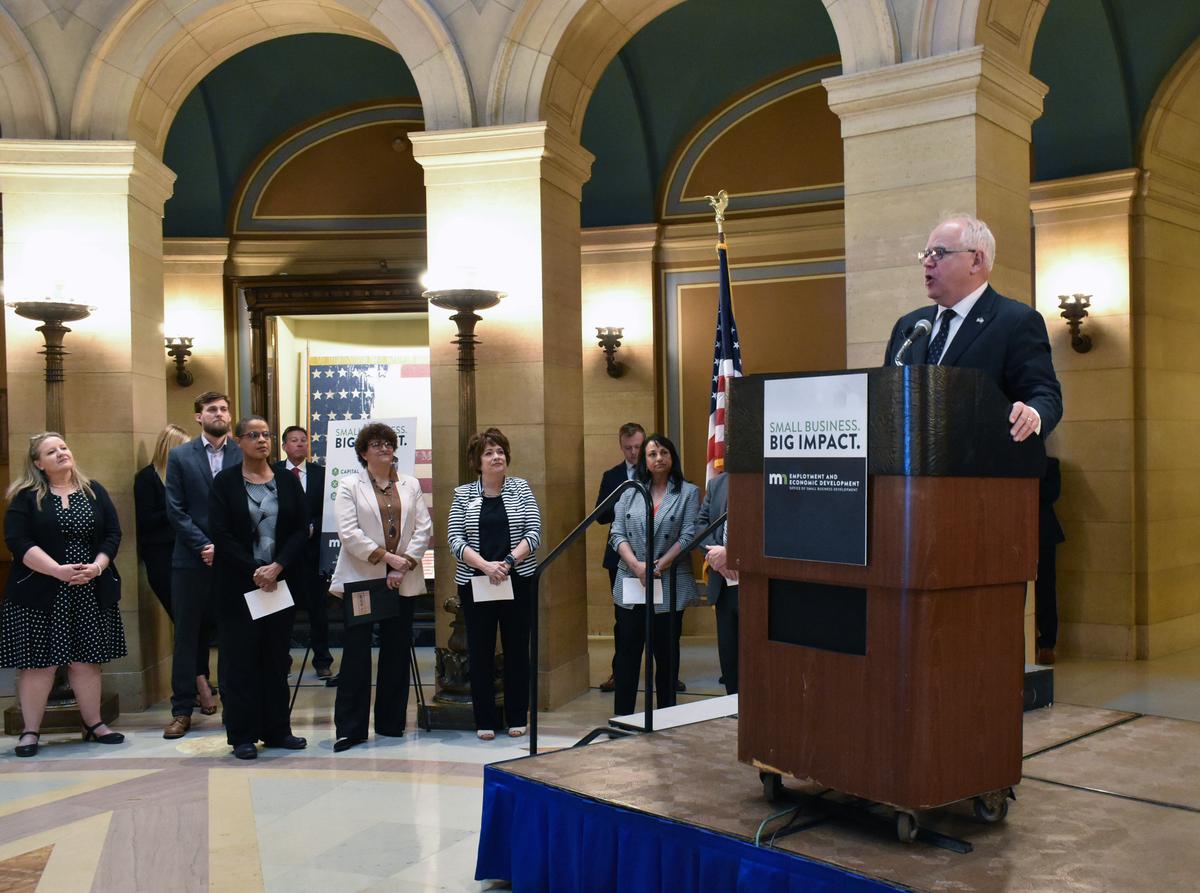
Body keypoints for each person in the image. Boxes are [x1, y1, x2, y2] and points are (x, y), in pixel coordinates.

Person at [883, 214, 1063, 441]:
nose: (928, 262)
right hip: (906, 468)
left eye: (939, 253)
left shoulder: (1015, 321)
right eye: (926, 254)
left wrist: (1032, 415)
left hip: (984, 466)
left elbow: (1045, 395)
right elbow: (885, 397)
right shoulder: (910, 325)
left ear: (976, 260)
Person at [2, 433, 127, 756]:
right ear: (37, 463)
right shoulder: (26, 497)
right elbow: (17, 541)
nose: (60, 454)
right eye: (51, 451)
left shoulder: (93, 491)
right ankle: (30, 731)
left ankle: (95, 723)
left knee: (86, 661)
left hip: (87, 589)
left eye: (63, 448)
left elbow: (112, 534)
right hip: (38, 591)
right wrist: (57, 570)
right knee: (38, 664)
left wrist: (98, 567)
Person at [207, 416, 309, 759]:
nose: (262, 440)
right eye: (253, 435)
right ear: (239, 441)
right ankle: (243, 734)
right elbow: (219, 534)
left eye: (266, 435)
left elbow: (300, 529)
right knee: (240, 662)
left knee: (277, 659)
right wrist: (256, 570)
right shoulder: (225, 483)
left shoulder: (286, 480)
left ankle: (278, 729)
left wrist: (277, 566)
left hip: (279, 584)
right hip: (239, 587)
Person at [328, 422, 432, 752]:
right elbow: (348, 532)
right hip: (363, 579)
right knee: (357, 654)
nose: (385, 448)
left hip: (403, 579)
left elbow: (423, 528)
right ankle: (351, 728)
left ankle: (390, 723)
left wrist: (404, 565)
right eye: (376, 444)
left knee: (396, 651)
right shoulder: (348, 485)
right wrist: (388, 560)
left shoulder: (411, 484)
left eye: (388, 442)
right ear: (363, 452)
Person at [447, 428, 541, 740]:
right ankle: (484, 719)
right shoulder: (463, 494)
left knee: (516, 650)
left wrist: (509, 562)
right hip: (476, 583)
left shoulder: (521, 488)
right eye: (489, 452)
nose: (496, 456)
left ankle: (517, 715)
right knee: (480, 651)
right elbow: (454, 540)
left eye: (500, 451)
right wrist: (486, 566)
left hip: (517, 580)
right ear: (477, 461)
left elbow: (534, 532)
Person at [163, 391, 242, 738]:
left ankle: (235, 709)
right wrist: (204, 545)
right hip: (190, 561)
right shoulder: (180, 456)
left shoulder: (243, 452)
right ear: (199, 417)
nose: (220, 414)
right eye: (212, 409)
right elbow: (175, 509)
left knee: (232, 635)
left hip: (233, 562)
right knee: (187, 637)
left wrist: (223, 548)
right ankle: (181, 710)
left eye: (224, 409)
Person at [610, 434, 699, 717]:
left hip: (668, 583)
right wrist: (636, 565)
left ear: (672, 457)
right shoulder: (630, 490)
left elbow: (689, 535)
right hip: (632, 580)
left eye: (663, 452)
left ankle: (665, 720)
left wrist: (660, 564)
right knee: (627, 656)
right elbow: (616, 534)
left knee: (666, 657)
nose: (658, 458)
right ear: (644, 461)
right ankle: (623, 719)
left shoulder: (688, 492)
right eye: (652, 454)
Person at [273, 425, 333, 679]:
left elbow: (330, 509)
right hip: (283, 555)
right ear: (285, 446)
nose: (299, 444)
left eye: (303, 440)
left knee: (318, 611)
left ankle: (322, 660)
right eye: (293, 441)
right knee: (281, 611)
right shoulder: (273, 472)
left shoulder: (322, 474)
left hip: (314, 553)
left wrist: (313, 528)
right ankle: (280, 660)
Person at [593, 422, 645, 693]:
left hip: (653, 555)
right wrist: (623, 503)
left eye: (638, 446)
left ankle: (667, 675)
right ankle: (619, 673)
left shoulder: (654, 470)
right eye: (629, 448)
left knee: (658, 618)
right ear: (621, 446)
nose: (634, 452)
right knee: (623, 619)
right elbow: (600, 516)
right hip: (619, 558)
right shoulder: (612, 475)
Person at [133, 424, 189, 619]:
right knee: (178, 611)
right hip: (161, 554)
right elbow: (145, 520)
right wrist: (177, 506)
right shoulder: (147, 478)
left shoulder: (184, 477)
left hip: (188, 551)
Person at [697, 471, 737, 695]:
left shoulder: (768, 477)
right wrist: (717, 557)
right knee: (729, 656)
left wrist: (733, 555)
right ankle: (733, 713)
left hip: (756, 583)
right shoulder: (717, 483)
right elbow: (700, 525)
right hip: (722, 585)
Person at [1037, 456, 1066, 665]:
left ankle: (1047, 644)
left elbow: (1051, 494)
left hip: (1044, 535)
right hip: (1015, 532)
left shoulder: (1050, 464)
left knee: (1046, 588)